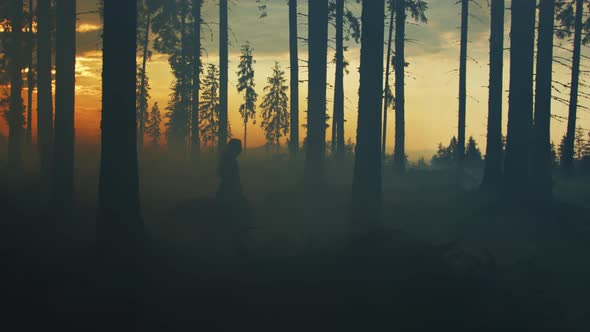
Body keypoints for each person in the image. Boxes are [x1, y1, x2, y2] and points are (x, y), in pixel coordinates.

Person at [216, 139, 251, 256]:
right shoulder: (230, 160)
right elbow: (226, 175)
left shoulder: (228, 159)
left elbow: (221, 173)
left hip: (228, 190)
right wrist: (235, 187)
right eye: (239, 147)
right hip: (229, 191)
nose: (240, 150)